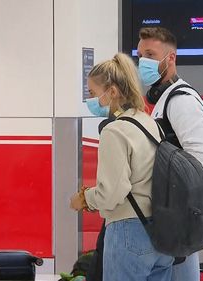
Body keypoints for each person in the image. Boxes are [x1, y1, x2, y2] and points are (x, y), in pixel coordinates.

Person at [70, 53, 174, 281]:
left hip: (129, 232)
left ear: (113, 92)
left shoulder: (114, 131)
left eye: (93, 93)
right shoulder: (149, 123)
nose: (92, 100)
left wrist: (85, 199)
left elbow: (111, 193)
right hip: (161, 231)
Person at [137, 27, 203, 281]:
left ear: (170, 58)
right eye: (140, 55)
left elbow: (202, 157)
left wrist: (170, 188)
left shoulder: (181, 100)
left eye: (150, 54)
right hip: (169, 211)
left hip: (179, 213)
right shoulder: (164, 98)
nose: (143, 61)